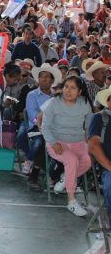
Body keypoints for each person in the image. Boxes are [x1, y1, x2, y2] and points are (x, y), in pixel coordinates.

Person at [41, 75, 93, 216]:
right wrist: (53, 142)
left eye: (73, 88)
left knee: (87, 161)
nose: (67, 91)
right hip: (56, 142)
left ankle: (65, 178)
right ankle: (71, 202)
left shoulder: (84, 104)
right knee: (72, 160)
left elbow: (89, 124)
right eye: (66, 87)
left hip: (78, 141)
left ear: (80, 92)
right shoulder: (54, 103)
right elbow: (44, 127)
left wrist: (87, 138)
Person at [88, 87, 111, 228]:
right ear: (108, 101)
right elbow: (93, 145)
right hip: (108, 168)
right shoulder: (100, 118)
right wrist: (109, 166)